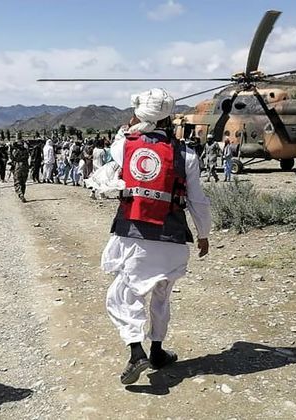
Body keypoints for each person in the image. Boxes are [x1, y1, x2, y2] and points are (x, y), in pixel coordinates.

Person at [102, 88, 211, 385]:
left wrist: (130, 124)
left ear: (140, 116)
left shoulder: (125, 145)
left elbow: (117, 141)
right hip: (172, 236)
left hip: (134, 235)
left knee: (124, 295)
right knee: (161, 297)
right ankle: (158, 352)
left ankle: (137, 351)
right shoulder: (186, 154)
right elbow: (198, 200)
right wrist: (203, 234)